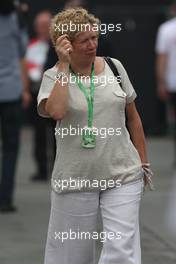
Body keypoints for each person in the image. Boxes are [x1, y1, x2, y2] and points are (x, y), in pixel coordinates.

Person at [37, 7, 154, 264]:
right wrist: (64, 65)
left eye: (95, 38)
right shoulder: (53, 77)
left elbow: (133, 118)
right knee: (71, 256)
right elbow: (56, 111)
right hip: (75, 178)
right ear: (65, 44)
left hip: (122, 174)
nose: (92, 45)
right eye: (84, 41)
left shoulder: (115, 67)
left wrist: (142, 163)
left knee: (122, 251)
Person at [0, 0, 30, 213]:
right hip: (10, 91)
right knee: (11, 148)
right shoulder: (15, 20)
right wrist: (26, 89)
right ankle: (5, 198)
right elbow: (22, 54)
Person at [26, 11, 56, 181]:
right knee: (38, 133)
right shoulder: (30, 46)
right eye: (41, 26)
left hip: (55, 93)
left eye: (47, 25)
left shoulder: (58, 45)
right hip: (36, 92)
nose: (44, 29)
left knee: (58, 133)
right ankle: (41, 168)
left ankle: (57, 166)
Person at [155, 0, 176, 165]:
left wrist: (161, 82)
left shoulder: (166, 29)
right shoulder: (166, 29)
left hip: (172, 81)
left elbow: (162, 58)